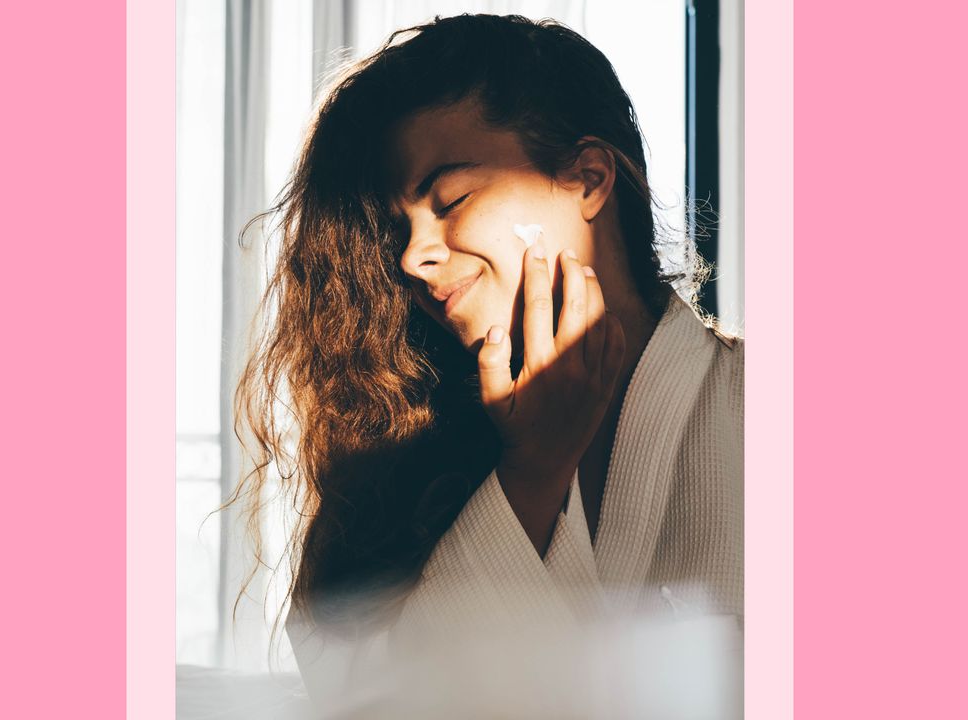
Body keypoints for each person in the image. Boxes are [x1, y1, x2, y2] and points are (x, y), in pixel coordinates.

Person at [232, 13, 743, 714]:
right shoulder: (390, 464)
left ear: (589, 179)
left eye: (454, 199)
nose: (413, 256)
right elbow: (368, 706)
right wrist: (531, 473)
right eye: (399, 227)